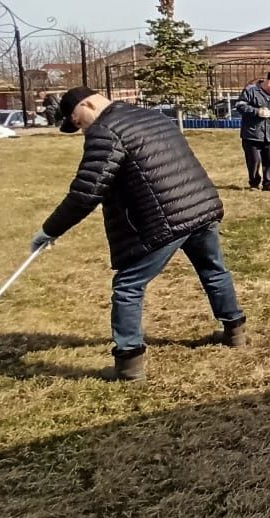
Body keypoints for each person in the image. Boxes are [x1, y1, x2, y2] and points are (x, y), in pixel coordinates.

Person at [30, 87, 246, 381]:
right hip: (200, 205)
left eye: (77, 121)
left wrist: (49, 230)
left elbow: (85, 193)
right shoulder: (149, 115)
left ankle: (128, 363)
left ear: (88, 104)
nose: (81, 129)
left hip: (165, 218)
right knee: (213, 269)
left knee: (128, 286)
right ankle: (235, 332)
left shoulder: (105, 131)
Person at [236, 71, 270, 191]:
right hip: (252, 134)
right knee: (254, 160)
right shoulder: (251, 91)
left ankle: (269, 183)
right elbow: (240, 105)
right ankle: (254, 183)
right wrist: (257, 112)